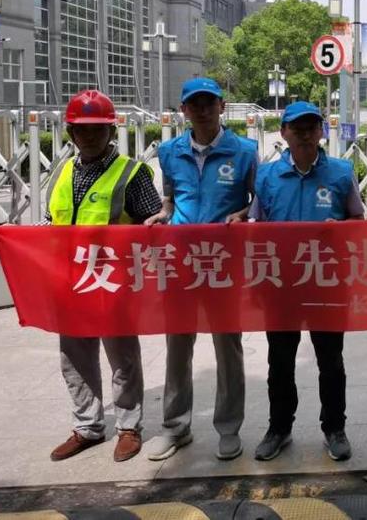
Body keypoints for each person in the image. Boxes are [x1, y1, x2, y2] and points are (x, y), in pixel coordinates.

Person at [143, 77, 258, 462]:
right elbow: (170, 199)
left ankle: (229, 428)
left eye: (210, 103)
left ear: (222, 107)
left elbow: (258, 201)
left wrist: (243, 213)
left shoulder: (244, 151)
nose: (203, 110)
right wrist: (163, 214)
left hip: (223, 263)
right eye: (195, 104)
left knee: (228, 347)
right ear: (184, 110)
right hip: (180, 262)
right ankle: (176, 427)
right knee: (178, 346)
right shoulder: (170, 151)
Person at [47, 90, 162, 462]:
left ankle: (128, 427)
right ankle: (88, 427)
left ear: (111, 131)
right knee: (74, 358)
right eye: (82, 129)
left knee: (122, 357)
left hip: (114, 282)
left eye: (98, 128)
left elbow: (153, 227)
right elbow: (52, 223)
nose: (90, 136)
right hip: (71, 281)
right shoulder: (63, 171)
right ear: (71, 133)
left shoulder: (132, 173)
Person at [251, 102, 365, 462]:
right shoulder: (267, 176)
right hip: (280, 286)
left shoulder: (341, 173)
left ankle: (335, 428)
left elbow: (358, 222)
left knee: (330, 361)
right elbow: (256, 226)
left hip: (326, 283)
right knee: (280, 362)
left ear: (321, 132)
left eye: (311, 127)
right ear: (283, 132)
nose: (304, 134)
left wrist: (340, 229)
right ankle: (279, 428)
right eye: (296, 128)